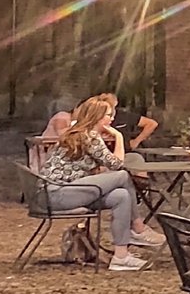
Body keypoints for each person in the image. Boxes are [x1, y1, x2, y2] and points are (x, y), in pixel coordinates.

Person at [41, 97, 164, 271]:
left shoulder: (79, 132)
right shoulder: (89, 136)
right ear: (97, 117)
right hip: (58, 193)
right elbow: (117, 164)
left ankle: (121, 257)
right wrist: (119, 137)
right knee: (122, 175)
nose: (112, 118)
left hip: (69, 191)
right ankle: (137, 227)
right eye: (108, 115)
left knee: (121, 196)